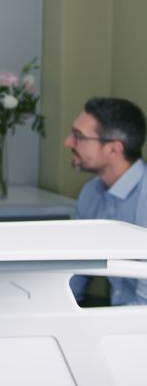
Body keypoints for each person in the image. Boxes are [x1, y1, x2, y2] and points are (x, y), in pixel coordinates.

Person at [65, 97, 147, 306]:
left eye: (78, 136)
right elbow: (76, 270)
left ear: (114, 150)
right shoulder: (91, 192)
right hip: (118, 320)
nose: (68, 142)